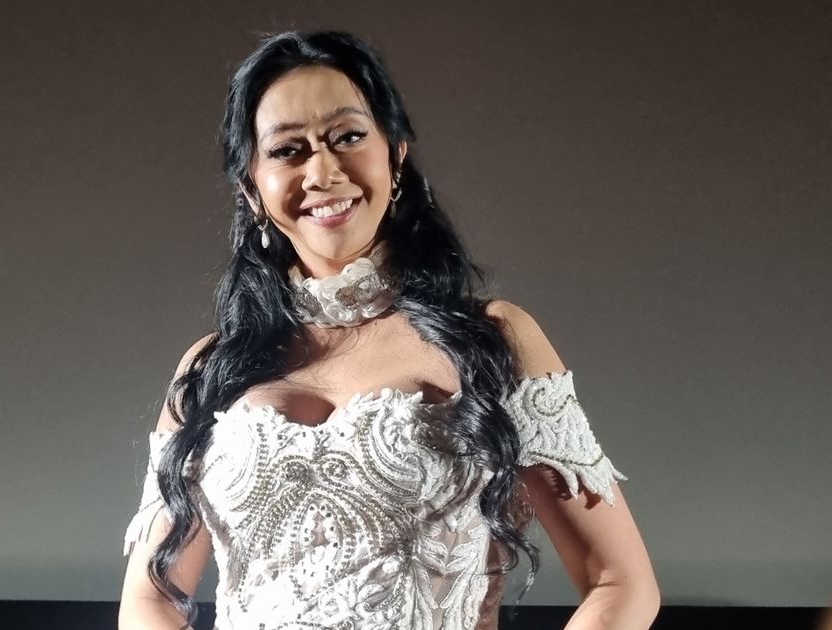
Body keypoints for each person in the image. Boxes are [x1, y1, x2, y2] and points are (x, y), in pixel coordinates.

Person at [118, 30, 659, 630]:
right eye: (288, 150)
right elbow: (148, 599)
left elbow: (620, 583)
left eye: (348, 137)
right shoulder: (210, 371)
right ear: (251, 188)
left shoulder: (492, 342)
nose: (323, 171)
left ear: (396, 155)